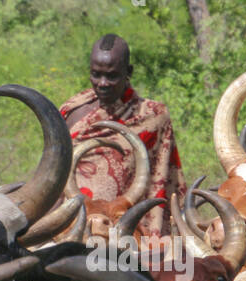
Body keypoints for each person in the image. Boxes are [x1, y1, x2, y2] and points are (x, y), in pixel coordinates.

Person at [59, 34, 186, 238]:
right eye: (96, 74)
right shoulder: (72, 111)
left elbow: (164, 178)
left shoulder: (153, 116)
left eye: (112, 76)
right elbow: (57, 175)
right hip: (76, 227)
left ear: (128, 72)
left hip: (127, 230)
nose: (102, 83)